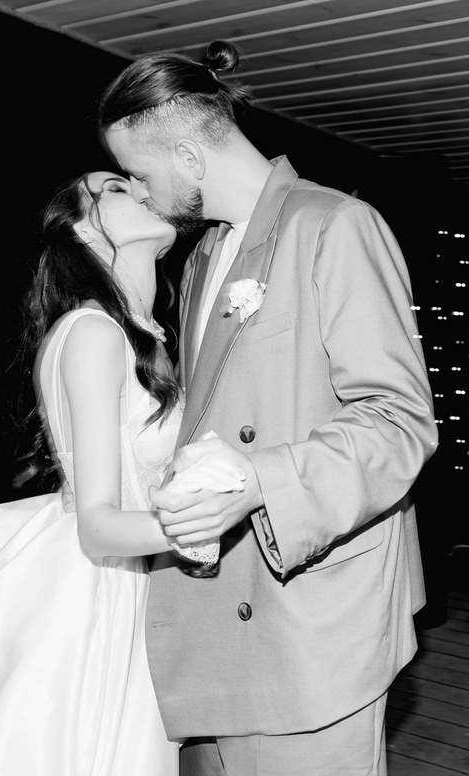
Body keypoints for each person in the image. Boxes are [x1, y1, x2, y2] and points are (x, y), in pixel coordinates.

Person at [98, 41, 437, 775]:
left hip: (308, 617)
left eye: (139, 174)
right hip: (217, 611)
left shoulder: (334, 225)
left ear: (189, 155)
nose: (140, 192)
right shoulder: (200, 260)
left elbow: (398, 421)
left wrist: (259, 483)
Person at [0, 172, 242, 775]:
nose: (141, 189)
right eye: (115, 188)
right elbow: (97, 527)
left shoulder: (135, 334)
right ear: (81, 229)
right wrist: (212, 517)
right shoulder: (94, 332)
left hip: (136, 577)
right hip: (98, 593)